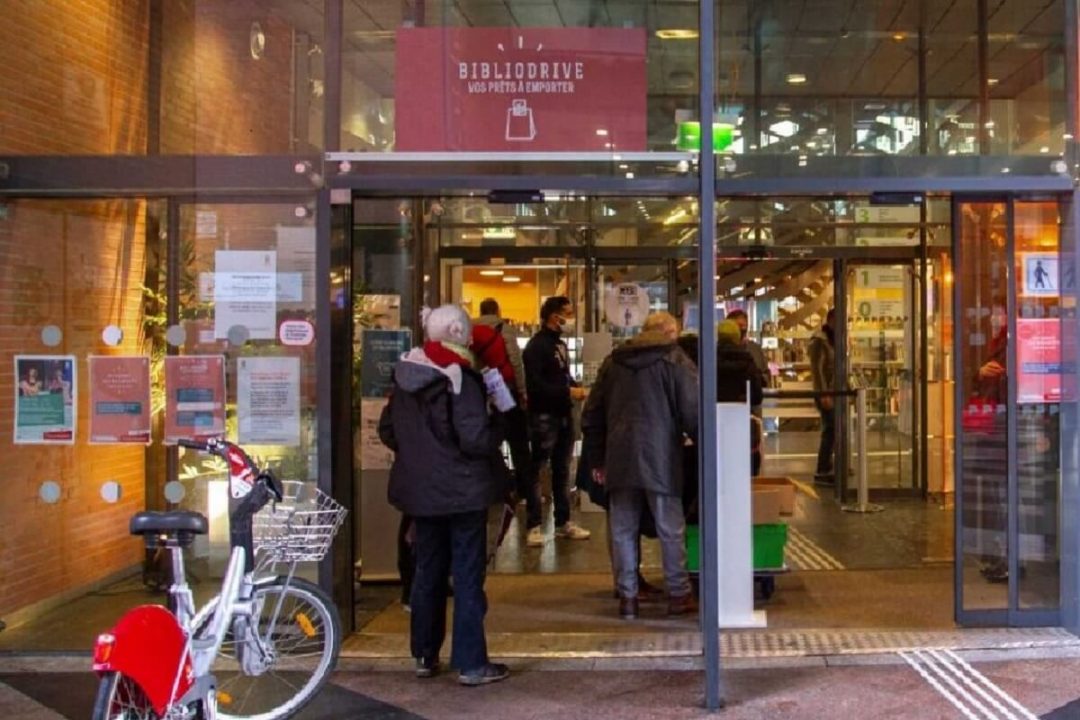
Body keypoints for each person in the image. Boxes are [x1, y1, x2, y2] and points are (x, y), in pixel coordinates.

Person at [378, 304, 510, 686]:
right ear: (458, 334)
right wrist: (498, 422)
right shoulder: (461, 378)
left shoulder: (405, 377)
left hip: (421, 492)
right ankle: (471, 663)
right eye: (466, 331)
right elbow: (475, 438)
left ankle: (424, 653)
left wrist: (420, 456)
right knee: (467, 575)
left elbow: (388, 431)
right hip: (462, 490)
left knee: (427, 571)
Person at [583, 312, 699, 619]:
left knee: (623, 527)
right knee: (670, 527)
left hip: (619, 455)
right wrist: (704, 444)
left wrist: (597, 456)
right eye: (675, 331)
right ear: (665, 332)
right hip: (661, 455)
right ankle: (679, 594)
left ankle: (628, 597)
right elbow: (694, 410)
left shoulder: (614, 362)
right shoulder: (674, 360)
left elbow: (592, 412)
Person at [521, 296, 591, 546]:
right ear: (554, 316)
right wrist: (567, 391)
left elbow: (563, 376)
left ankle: (563, 521)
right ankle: (533, 524)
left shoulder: (560, 345)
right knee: (538, 469)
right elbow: (536, 385)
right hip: (543, 415)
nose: (571, 319)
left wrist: (574, 387)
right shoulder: (535, 347)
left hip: (563, 414)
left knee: (562, 469)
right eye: (568, 314)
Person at [472, 298, 531, 493]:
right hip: (501, 386)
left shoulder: (469, 328)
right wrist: (522, 391)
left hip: (479, 386)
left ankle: (491, 482)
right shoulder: (504, 328)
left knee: (487, 435)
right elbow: (515, 361)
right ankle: (522, 486)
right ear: (497, 310)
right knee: (517, 438)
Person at [716, 320, 765, 476]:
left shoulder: (708, 360)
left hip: (716, 423)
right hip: (741, 422)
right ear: (737, 337)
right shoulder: (747, 360)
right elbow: (757, 396)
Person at [808, 308, 837, 484]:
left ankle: (829, 465)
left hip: (835, 391)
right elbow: (817, 370)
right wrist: (823, 393)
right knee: (830, 429)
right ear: (831, 320)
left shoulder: (834, 340)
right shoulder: (820, 341)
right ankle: (823, 468)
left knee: (833, 429)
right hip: (826, 392)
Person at [725, 309, 769, 415]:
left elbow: (765, 374)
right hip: (728, 409)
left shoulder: (755, 349)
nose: (742, 329)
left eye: (744, 325)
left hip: (752, 409)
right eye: (738, 326)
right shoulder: (720, 352)